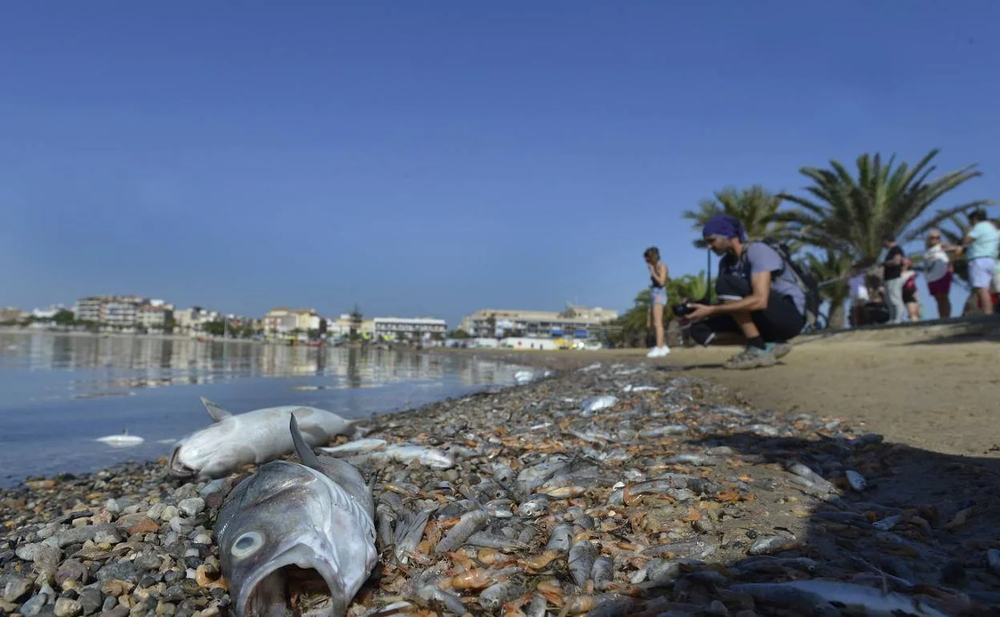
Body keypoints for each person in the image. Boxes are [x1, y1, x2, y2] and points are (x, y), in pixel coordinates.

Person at [679, 215, 806, 370]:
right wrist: (699, 311)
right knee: (699, 330)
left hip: (789, 316)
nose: (709, 247)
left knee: (726, 282)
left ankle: (756, 349)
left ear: (729, 236)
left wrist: (713, 310)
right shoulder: (726, 263)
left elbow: (760, 300)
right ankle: (767, 345)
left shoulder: (757, 251)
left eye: (712, 241)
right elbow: (729, 303)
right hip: (761, 318)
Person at [953, 209, 999, 316]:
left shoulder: (979, 227)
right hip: (991, 260)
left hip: (979, 260)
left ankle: (988, 313)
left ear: (974, 219)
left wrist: (969, 231)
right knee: (989, 289)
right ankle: (990, 312)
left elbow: (967, 240)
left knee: (982, 288)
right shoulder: (992, 228)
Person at [643, 246, 670, 358]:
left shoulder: (661, 266)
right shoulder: (655, 267)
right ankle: (661, 345)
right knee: (651, 322)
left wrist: (652, 272)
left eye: (648, 259)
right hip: (654, 293)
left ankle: (659, 348)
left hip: (659, 294)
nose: (646, 262)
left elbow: (662, 282)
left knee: (658, 323)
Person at [923, 229, 953, 319]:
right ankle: (942, 317)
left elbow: (956, 249)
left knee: (943, 296)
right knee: (937, 298)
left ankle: (946, 317)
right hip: (932, 276)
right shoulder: (927, 251)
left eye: (938, 237)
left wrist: (951, 263)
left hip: (943, 273)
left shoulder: (941, 246)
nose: (936, 239)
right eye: (933, 238)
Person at [881, 234, 906, 324]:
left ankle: (898, 318)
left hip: (894, 277)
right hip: (888, 278)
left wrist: (885, 263)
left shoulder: (896, 249)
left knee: (895, 298)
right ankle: (892, 318)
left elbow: (897, 261)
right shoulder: (889, 251)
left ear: (887, 241)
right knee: (889, 299)